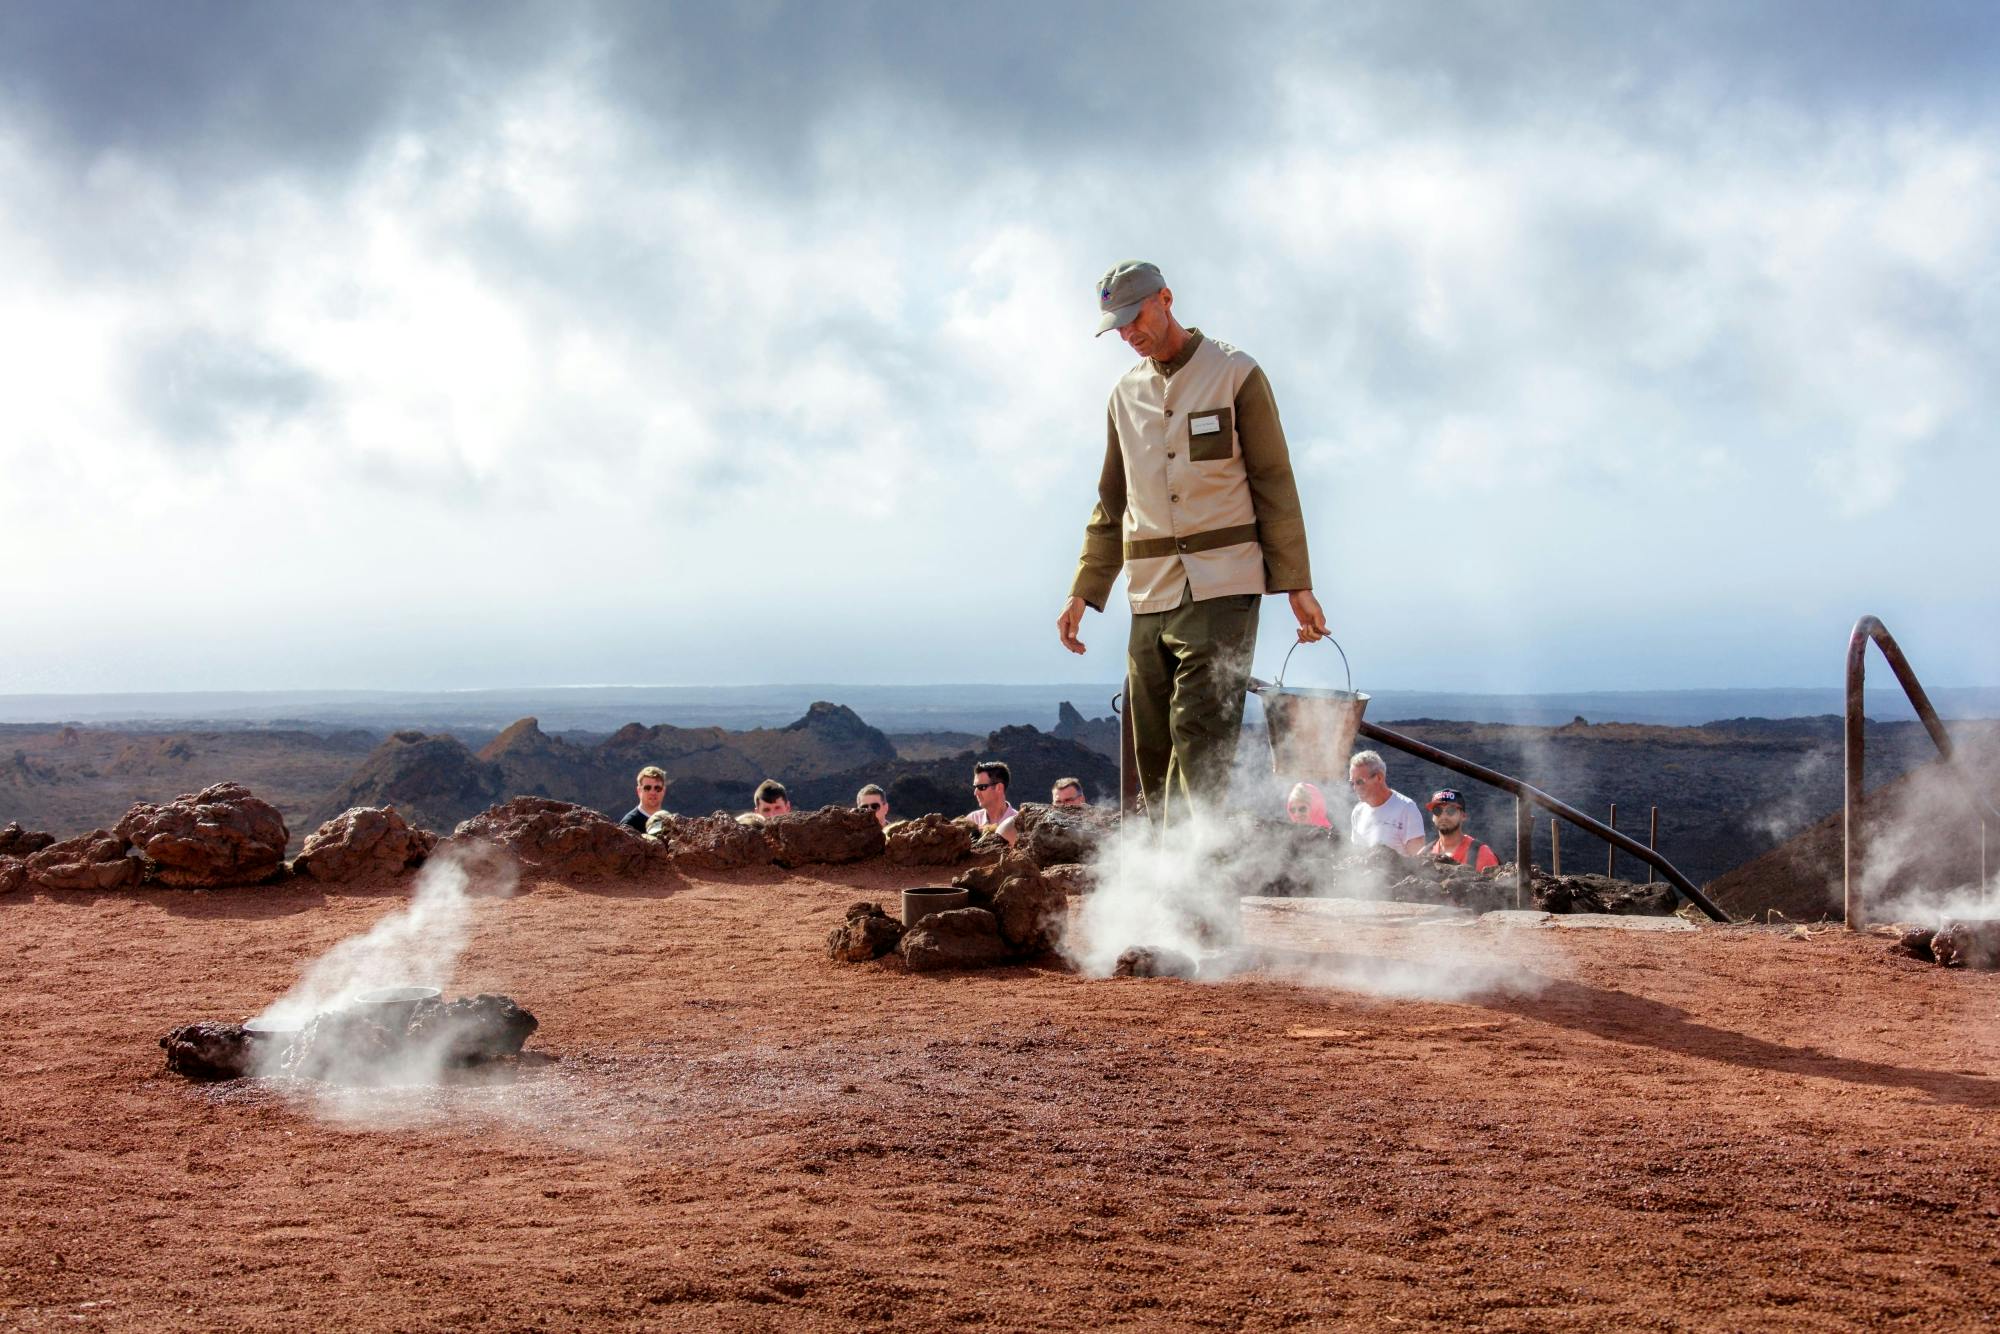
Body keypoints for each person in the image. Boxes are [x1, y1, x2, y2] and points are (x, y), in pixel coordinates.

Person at [1057, 260, 1328, 823]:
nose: (1130, 334)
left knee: (1199, 732)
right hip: (1148, 593)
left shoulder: (1235, 374)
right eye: (1119, 327)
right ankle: (1170, 877)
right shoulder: (1123, 397)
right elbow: (1112, 501)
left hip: (1224, 585)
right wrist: (1083, 591)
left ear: (1166, 299)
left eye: (1136, 318)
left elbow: (1274, 482)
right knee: (1152, 740)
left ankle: (1193, 880)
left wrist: (1296, 585)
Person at [1348, 750, 1426, 854]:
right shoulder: (1358, 811)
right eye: (1352, 783)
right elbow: (1355, 855)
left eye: (1360, 782)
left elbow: (1417, 861)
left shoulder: (1407, 809)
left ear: (1379, 777)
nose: (1355, 788)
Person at [1424, 788, 1500, 870]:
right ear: (1433, 817)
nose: (1443, 816)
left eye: (1450, 810)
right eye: (1437, 810)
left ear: (1463, 816)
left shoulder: (1481, 854)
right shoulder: (1425, 853)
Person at [618, 766, 671, 833]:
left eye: (657, 788)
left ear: (663, 790)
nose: (652, 792)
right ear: (639, 790)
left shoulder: (669, 822)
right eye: (647, 788)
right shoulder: (629, 824)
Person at [966, 761, 1016, 830]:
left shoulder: (1019, 823)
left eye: (981, 787)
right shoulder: (972, 820)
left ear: (999, 787)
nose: (976, 793)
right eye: (975, 787)